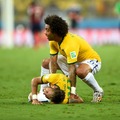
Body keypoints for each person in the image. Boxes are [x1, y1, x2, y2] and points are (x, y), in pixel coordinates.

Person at [39, 15, 103, 103]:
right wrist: (51, 84)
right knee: (46, 63)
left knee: (80, 71)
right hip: (72, 60)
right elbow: (53, 62)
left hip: (91, 60)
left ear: (55, 32)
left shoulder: (70, 44)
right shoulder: (53, 41)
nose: (45, 32)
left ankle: (98, 90)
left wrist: (72, 92)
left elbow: (72, 67)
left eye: (47, 30)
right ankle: (42, 93)